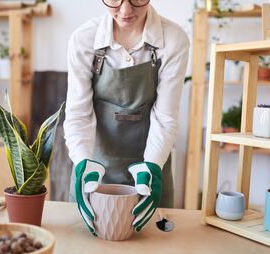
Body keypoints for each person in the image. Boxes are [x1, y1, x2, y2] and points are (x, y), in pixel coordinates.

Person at [64, 0, 189, 234]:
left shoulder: (173, 40)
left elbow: (165, 117)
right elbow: (78, 114)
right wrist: (82, 163)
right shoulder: (83, 39)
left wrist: (151, 166)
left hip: (149, 167)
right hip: (94, 170)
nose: (125, 10)